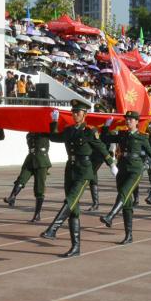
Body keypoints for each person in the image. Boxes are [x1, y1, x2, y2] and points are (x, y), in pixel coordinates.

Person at [41, 100, 116, 257]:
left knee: (70, 200)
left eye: (78, 112)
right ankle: (76, 247)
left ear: (84, 114)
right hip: (71, 170)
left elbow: (102, 148)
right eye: (73, 112)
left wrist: (111, 164)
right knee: (73, 210)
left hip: (84, 171)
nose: (75, 114)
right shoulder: (69, 130)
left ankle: (53, 228)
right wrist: (54, 121)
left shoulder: (90, 131)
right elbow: (54, 137)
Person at [100, 111, 151, 244]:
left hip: (135, 169)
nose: (128, 121)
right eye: (127, 119)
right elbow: (105, 138)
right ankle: (128, 235)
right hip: (122, 168)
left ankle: (111, 215)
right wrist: (106, 126)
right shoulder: (122, 134)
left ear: (137, 122)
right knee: (126, 203)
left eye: (131, 119)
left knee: (124, 193)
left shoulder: (142, 137)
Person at [4, 130, 52, 222]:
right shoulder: (29, 134)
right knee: (21, 179)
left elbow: (53, 134)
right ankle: (12, 197)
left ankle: (37, 215)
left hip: (41, 161)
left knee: (39, 188)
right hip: (30, 160)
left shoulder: (45, 132)